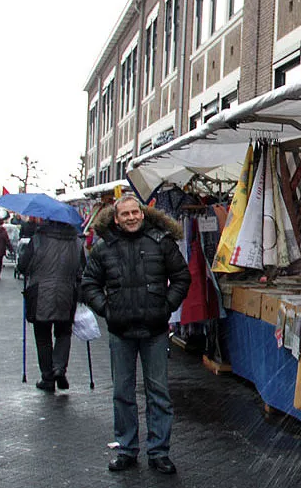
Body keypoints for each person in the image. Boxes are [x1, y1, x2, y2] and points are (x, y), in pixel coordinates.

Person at [81, 195, 190, 474]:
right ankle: (127, 448)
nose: (131, 217)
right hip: (121, 331)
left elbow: (181, 276)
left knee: (159, 393)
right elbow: (89, 282)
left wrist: (166, 307)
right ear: (115, 218)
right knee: (122, 393)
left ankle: (159, 451)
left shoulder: (160, 241)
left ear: (142, 214)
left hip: (154, 330)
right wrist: (107, 310)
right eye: (125, 214)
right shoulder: (104, 247)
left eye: (135, 212)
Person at [17, 220, 85, 392]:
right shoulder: (77, 242)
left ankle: (47, 377)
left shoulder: (38, 239)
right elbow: (82, 268)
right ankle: (59, 367)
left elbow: (23, 266)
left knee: (43, 336)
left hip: (40, 293)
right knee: (64, 332)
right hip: (67, 293)